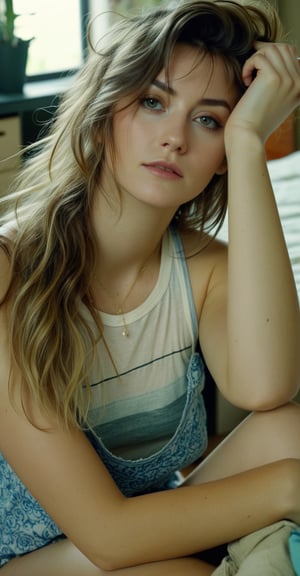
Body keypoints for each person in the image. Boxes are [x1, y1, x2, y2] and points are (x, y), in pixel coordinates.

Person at [0, 0, 300, 574]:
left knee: (287, 428)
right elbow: (108, 539)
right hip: (31, 556)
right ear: (105, 109)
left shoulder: (205, 270)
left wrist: (249, 146)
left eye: (209, 120)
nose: (174, 139)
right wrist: (288, 487)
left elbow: (267, 389)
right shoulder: (11, 271)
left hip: (143, 525)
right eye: (154, 102)